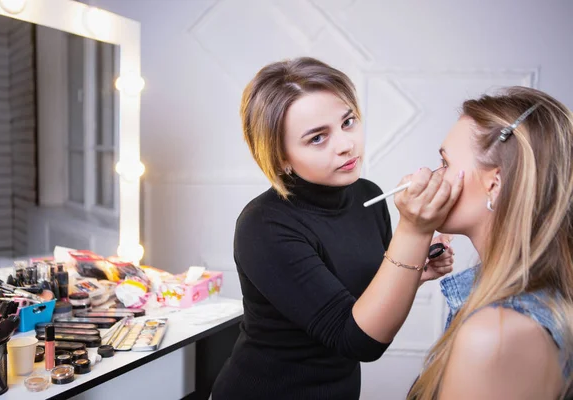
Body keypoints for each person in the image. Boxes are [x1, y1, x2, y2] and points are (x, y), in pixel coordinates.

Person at [211, 57, 464, 399]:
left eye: (348, 122)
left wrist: (415, 268)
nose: (345, 144)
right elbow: (358, 339)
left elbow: (364, 296)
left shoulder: (368, 195)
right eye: (317, 138)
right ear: (280, 155)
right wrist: (413, 231)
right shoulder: (263, 225)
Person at [408, 86, 573, 400]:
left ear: (494, 185)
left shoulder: (497, 336)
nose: (433, 176)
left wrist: (411, 230)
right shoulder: (502, 300)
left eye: (445, 163)